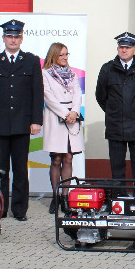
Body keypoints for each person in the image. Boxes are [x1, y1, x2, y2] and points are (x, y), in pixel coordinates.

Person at [0, 19, 44, 221]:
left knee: (20, 169)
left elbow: (37, 93)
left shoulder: (31, 61)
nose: (13, 40)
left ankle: (20, 209)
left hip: (22, 124)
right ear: (3, 38)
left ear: (21, 38)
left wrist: (36, 120)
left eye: (16, 36)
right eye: (9, 36)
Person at [95, 32, 135, 183]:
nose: (124, 50)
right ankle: (119, 195)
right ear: (117, 49)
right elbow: (101, 96)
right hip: (115, 125)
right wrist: (114, 111)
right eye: (121, 47)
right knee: (117, 166)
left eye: (128, 47)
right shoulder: (107, 69)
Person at [41, 42, 84, 213]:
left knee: (68, 158)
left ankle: (65, 197)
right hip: (56, 117)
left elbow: (77, 93)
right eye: (62, 55)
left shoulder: (71, 73)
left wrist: (74, 112)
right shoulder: (45, 73)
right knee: (56, 159)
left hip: (72, 118)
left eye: (67, 54)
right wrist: (65, 113)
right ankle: (56, 195)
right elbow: (48, 96)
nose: (65, 57)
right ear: (54, 55)